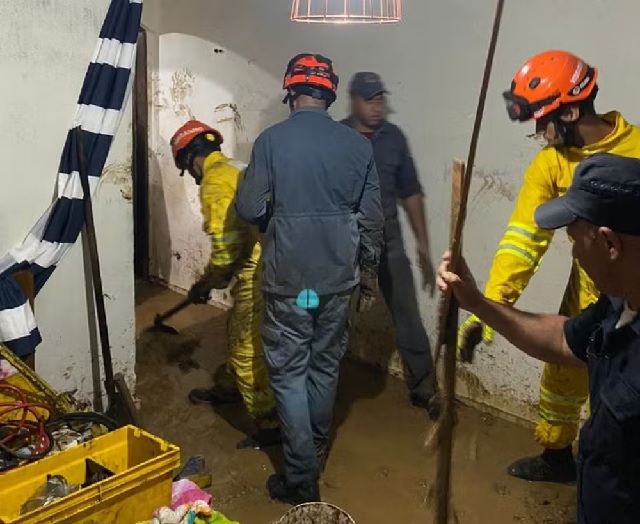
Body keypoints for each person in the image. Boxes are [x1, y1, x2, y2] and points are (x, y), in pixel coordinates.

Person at [457, 50, 640, 482]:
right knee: (562, 374)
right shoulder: (550, 164)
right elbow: (523, 238)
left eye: (544, 120)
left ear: (573, 110)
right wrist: (492, 304)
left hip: (632, 296)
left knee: (618, 401)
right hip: (590, 294)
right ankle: (557, 458)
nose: (539, 133)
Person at [439, 152, 640, 524]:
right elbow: (563, 340)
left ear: (610, 244)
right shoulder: (619, 303)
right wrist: (478, 302)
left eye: (576, 239)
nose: (575, 252)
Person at [236, 53, 384, 505]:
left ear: (290, 91)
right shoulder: (359, 146)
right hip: (337, 280)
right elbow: (373, 218)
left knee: (288, 371)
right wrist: (367, 268)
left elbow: (247, 207)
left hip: (291, 283)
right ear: (330, 93)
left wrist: (274, 217)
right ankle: (315, 448)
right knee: (323, 364)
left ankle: (301, 477)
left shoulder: (270, 141)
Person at [169, 120, 279, 450]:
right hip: (272, 261)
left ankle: (270, 424)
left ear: (190, 159)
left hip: (254, 273)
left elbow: (226, 247)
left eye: (186, 168)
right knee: (238, 330)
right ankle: (231, 387)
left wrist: (207, 283)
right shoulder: (238, 166)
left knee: (247, 349)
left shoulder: (215, 183)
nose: (191, 175)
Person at [342, 72, 439, 419]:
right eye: (370, 99)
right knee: (330, 314)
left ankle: (424, 386)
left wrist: (424, 245)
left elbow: (410, 191)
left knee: (408, 313)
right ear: (353, 101)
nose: (377, 106)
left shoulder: (394, 138)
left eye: (380, 99)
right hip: (346, 247)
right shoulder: (337, 137)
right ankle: (323, 383)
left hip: (389, 243)